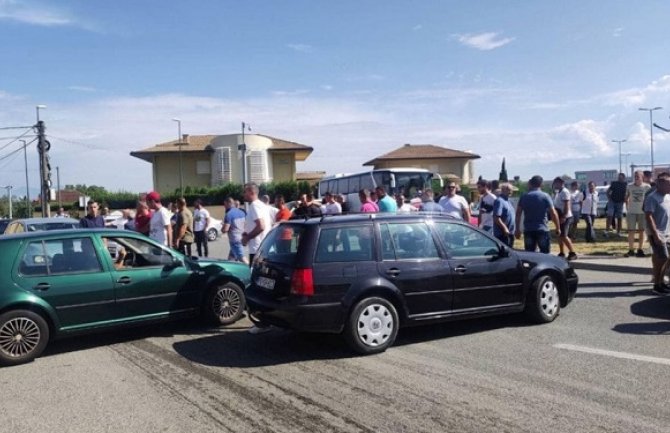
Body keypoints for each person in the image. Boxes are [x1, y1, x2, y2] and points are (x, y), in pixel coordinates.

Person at [514, 175, 560, 254]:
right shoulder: (545, 196)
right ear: (541, 184)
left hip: (528, 229)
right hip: (542, 228)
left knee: (530, 254)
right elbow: (553, 213)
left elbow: (518, 214)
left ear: (530, 183)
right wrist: (557, 227)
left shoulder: (524, 196)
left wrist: (517, 229)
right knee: (545, 254)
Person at [643, 172, 670, 294]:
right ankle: (657, 284)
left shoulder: (668, 196)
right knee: (662, 258)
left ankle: (661, 282)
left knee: (666, 259)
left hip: (668, 232)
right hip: (658, 233)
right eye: (668, 184)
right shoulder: (652, 197)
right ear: (660, 184)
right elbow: (649, 216)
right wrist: (655, 234)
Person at [241, 182, 273, 265]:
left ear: (252, 192)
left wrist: (247, 237)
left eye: (245, 192)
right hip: (263, 248)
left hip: (257, 249)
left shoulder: (254, 205)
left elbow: (261, 226)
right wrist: (247, 233)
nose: (243, 194)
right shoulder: (262, 205)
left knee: (255, 276)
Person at [624, 170, 652, 257]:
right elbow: (626, 197)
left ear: (642, 177)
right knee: (631, 231)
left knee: (641, 231)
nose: (636, 177)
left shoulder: (647, 187)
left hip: (642, 212)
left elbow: (650, 199)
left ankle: (640, 249)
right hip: (632, 212)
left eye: (638, 176)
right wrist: (628, 208)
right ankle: (631, 249)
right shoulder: (629, 186)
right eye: (635, 176)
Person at [553, 177, 577, 260]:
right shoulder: (558, 192)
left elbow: (567, 205)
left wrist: (564, 216)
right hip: (559, 215)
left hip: (565, 217)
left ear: (561, 183)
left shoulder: (565, 192)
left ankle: (572, 253)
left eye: (556, 183)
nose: (555, 185)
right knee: (559, 235)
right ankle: (562, 252)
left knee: (564, 235)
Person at [222, 197, 247, 263]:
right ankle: (230, 270)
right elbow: (245, 224)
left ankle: (251, 270)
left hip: (235, 240)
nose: (224, 206)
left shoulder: (228, 214)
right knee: (231, 258)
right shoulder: (242, 212)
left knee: (242, 258)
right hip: (241, 237)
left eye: (225, 204)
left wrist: (222, 227)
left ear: (229, 203)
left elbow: (225, 230)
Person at [492, 183, 516, 247]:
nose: (510, 191)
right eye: (508, 189)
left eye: (511, 189)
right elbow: (496, 218)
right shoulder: (499, 201)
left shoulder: (509, 201)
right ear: (502, 190)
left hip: (510, 233)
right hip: (502, 234)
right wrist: (505, 228)